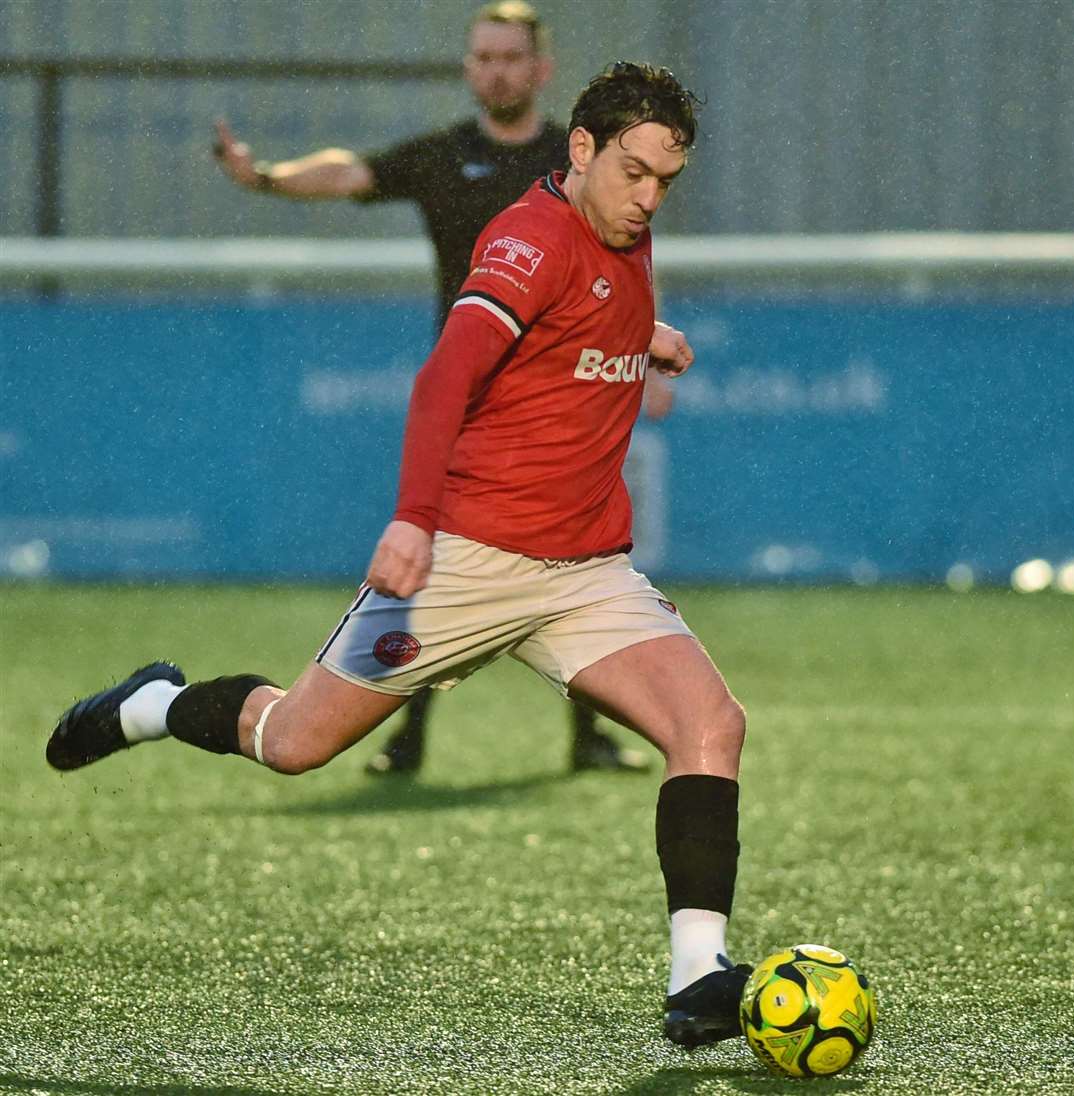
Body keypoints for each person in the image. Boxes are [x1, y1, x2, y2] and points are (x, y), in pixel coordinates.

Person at [48, 61, 751, 1048]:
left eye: (665, 181)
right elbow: (442, 382)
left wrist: (648, 338)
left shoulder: (622, 228)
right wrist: (414, 517)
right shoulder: (525, 242)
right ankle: (153, 704)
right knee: (293, 742)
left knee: (710, 723)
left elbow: (588, 317)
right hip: (464, 560)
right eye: (633, 172)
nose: (648, 197)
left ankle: (697, 980)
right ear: (581, 149)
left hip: (586, 572)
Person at [213, 0, 666, 776]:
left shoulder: (581, 158)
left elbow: (624, 259)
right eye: (482, 56)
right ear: (469, 68)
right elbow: (353, 172)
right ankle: (401, 731)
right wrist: (264, 177)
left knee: (580, 558)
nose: (495, 69)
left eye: (510, 56)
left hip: (565, 403)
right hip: (470, 400)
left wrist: (643, 348)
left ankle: (587, 734)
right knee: (434, 570)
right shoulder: (440, 157)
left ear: (541, 68)